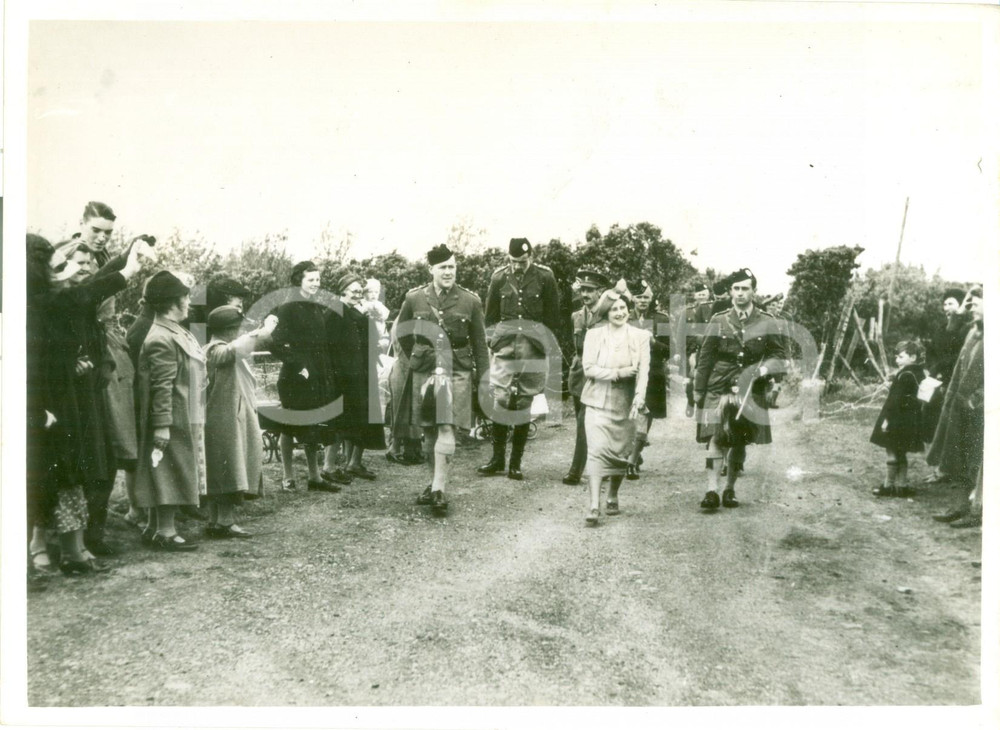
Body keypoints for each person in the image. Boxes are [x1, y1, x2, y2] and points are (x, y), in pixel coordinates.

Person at [42, 236, 152, 571]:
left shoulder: (87, 300)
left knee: (107, 456)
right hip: (74, 392)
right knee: (79, 461)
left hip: (101, 383)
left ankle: (92, 533)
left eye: (90, 263)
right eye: (78, 262)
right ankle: (60, 541)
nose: (85, 269)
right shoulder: (65, 301)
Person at [396, 244, 489, 515]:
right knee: (428, 428)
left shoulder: (470, 300)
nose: (448, 272)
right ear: (431, 270)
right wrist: (416, 353)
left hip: (457, 368)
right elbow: (402, 332)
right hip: (425, 367)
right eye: (443, 267)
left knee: (446, 426)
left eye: (452, 267)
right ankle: (433, 482)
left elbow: (480, 344)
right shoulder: (414, 298)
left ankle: (439, 489)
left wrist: (484, 379)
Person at [693, 268, 787, 511]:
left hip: (751, 386)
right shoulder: (719, 319)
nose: (740, 293)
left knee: (739, 440)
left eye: (745, 288)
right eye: (736, 288)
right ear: (730, 291)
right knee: (715, 435)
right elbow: (705, 358)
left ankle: (730, 489)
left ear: (753, 291)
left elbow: (778, 355)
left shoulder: (766, 321)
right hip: (718, 383)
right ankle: (711, 490)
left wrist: (764, 371)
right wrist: (698, 390)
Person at [133, 271, 207, 552]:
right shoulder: (161, 337)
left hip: (184, 413)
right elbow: (161, 387)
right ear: (173, 301)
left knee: (168, 469)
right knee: (167, 471)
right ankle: (165, 531)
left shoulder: (176, 330)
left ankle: (154, 529)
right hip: (172, 415)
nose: (189, 301)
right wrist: (162, 424)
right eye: (186, 296)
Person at [477, 238, 560, 481]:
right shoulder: (499, 277)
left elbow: (553, 316)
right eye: (513, 262)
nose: (517, 266)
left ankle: (516, 463)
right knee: (500, 398)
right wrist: (493, 342)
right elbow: (490, 315)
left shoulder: (545, 277)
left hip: (533, 346)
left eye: (522, 262)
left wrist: (548, 345)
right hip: (504, 345)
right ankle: (497, 459)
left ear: (530, 257)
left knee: (525, 400)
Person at [203, 305, 278, 538]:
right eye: (237, 328)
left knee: (225, 467)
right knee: (229, 467)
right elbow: (237, 347)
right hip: (225, 419)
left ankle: (216, 521)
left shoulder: (217, 349)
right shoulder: (216, 350)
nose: (240, 332)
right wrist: (263, 331)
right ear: (228, 330)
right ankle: (224, 522)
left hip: (229, 416)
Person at [268, 261, 343, 492]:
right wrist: (299, 365)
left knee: (314, 425)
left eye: (318, 280)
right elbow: (275, 342)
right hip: (295, 378)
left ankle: (315, 477)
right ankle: (288, 477)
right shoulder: (289, 306)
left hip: (317, 375)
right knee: (289, 427)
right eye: (310, 279)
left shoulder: (314, 306)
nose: (316, 284)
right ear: (298, 281)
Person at [580, 292, 650, 525]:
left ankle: (612, 494)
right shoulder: (593, 335)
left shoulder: (640, 335)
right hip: (598, 400)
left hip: (626, 402)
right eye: (614, 309)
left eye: (622, 308)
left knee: (621, 452)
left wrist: (639, 398)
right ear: (606, 313)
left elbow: (644, 371)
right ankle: (593, 505)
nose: (620, 312)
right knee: (597, 450)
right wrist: (617, 374)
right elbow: (588, 368)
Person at [928, 287, 984, 528]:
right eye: (970, 303)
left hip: (983, 407)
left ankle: (978, 510)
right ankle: (960, 506)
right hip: (963, 403)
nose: (971, 306)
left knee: (979, 461)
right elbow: (952, 333)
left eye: (977, 302)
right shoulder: (973, 332)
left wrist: (980, 396)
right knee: (960, 456)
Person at [323, 272, 385, 482]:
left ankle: (354, 463)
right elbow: (328, 349)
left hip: (362, 373)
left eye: (361, 291)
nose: (359, 295)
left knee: (364, 419)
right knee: (340, 422)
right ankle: (328, 467)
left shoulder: (358, 312)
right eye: (354, 291)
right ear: (343, 291)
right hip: (343, 378)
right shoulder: (334, 313)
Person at [561, 269, 613, 485]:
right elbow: (574, 347)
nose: (585, 294)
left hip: (600, 374)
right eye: (582, 289)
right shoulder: (576, 316)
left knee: (589, 421)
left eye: (590, 290)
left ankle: (577, 470)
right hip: (579, 374)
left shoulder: (608, 315)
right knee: (583, 421)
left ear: (600, 292)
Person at [922, 288, 973, 478]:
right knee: (932, 418)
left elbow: (958, 354)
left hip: (954, 378)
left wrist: (942, 371)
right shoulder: (940, 327)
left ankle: (949, 468)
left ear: (961, 306)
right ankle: (942, 464)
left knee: (952, 423)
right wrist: (933, 370)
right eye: (944, 304)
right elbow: (933, 351)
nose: (946, 307)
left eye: (950, 303)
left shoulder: (967, 329)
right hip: (937, 378)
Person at [624, 279, 671, 480]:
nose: (642, 301)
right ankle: (633, 453)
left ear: (651, 299)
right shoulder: (623, 316)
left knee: (646, 416)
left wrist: (653, 342)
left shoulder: (661, 319)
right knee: (629, 416)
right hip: (629, 373)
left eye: (646, 297)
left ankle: (632, 461)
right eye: (639, 297)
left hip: (654, 374)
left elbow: (669, 350)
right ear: (633, 298)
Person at [869, 340, 927, 497]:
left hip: (896, 419)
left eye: (901, 357)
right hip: (910, 420)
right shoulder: (919, 373)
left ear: (913, 357)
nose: (897, 360)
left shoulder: (905, 374)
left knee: (892, 451)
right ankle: (901, 486)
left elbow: (895, 401)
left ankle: (888, 486)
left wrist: (887, 420)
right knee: (901, 452)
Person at [384, 316, 425, 465]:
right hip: (404, 368)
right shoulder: (403, 321)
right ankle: (395, 449)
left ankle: (411, 449)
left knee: (409, 411)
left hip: (408, 369)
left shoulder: (407, 320)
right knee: (402, 411)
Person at [682, 282, 715, 418]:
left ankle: (701, 407)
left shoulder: (712, 310)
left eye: (704, 294)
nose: (701, 297)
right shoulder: (688, 311)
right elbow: (681, 332)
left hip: (704, 349)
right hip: (690, 351)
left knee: (703, 379)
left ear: (708, 295)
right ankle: (691, 401)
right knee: (690, 381)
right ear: (695, 295)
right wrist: (679, 352)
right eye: (699, 294)